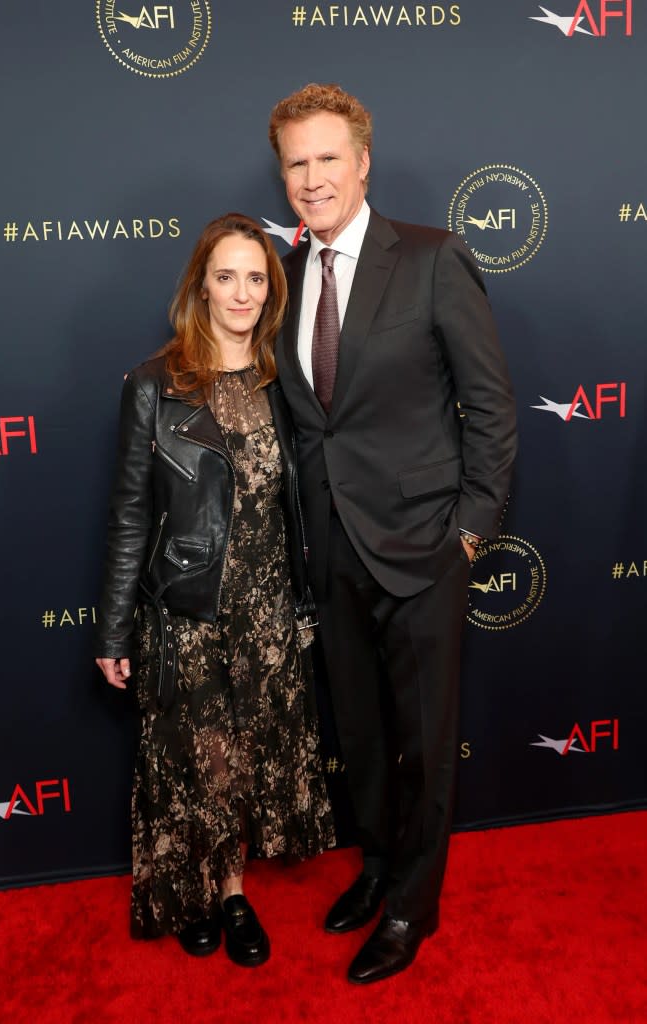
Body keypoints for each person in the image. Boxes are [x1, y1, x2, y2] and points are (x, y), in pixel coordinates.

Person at [268, 84, 517, 984]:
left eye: (327, 157)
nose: (311, 177)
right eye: (295, 162)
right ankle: (375, 864)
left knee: (422, 735)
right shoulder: (283, 275)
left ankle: (414, 904)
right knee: (363, 734)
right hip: (329, 547)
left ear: (363, 161)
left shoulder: (432, 257)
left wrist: (470, 534)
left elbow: (490, 409)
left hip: (423, 545)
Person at [94, 212, 335, 968]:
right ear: (200, 286)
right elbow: (131, 512)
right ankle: (195, 892)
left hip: (268, 609)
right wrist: (112, 630)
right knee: (200, 758)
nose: (241, 293)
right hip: (189, 609)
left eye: (256, 278)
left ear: (272, 289)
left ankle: (232, 894)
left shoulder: (283, 379)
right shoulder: (154, 385)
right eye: (225, 276)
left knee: (250, 754)